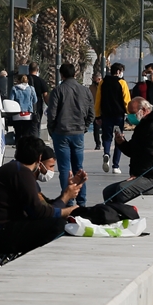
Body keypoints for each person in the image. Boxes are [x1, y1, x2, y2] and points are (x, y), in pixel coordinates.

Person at [0, 136, 84, 259]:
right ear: (39, 158)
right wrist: (65, 203)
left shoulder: (16, 169)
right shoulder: (21, 173)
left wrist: (67, 195)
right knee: (57, 225)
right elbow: (39, 212)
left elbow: (43, 206)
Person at [104, 97, 153, 203]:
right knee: (108, 192)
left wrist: (139, 175)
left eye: (132, 113)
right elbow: (133, 151)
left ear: (144, 110)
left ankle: (125, 215)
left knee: (123, 190)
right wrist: (121, 142)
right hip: (143, 175)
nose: (130, 116)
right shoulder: (143, 126)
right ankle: (111, 215)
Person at [46, 63, 94, 208]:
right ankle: (81, 200)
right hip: (78, 133)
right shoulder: (85, 91)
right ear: (75, 73)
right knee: (79, 168)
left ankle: (68, 199)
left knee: (65, 169)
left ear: (62, 75)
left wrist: (52, 131)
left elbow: (52, 114)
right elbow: (91, 114)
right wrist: (84, 127)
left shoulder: (58, 90)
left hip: (61, 133)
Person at [96, 63, 130, 175]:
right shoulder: (122, 83)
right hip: (118, 116)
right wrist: (129, 114)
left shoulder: (102, 82)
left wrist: (97, 115)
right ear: (119, 71)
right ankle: (116, 166)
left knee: (107, 137)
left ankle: (106, 153)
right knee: (118, 139)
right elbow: (126, 101)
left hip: (106, 116)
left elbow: (98, 100)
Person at [7, 74, 38, 142]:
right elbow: (35, 100)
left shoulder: (14, 88)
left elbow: (11, 100)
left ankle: (18, 147)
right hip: (28, 114)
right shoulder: (31, 89)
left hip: (17, 114)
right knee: (26, 134)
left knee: (18, 133)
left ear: (18, 80)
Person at [28, 63, 49, 136]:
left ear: (29, 69)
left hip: (25, 107)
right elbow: (45, 96)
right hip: (37, 106)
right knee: (36, 126)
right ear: (37, 70)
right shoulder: (41, 81)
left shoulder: (24, 79)